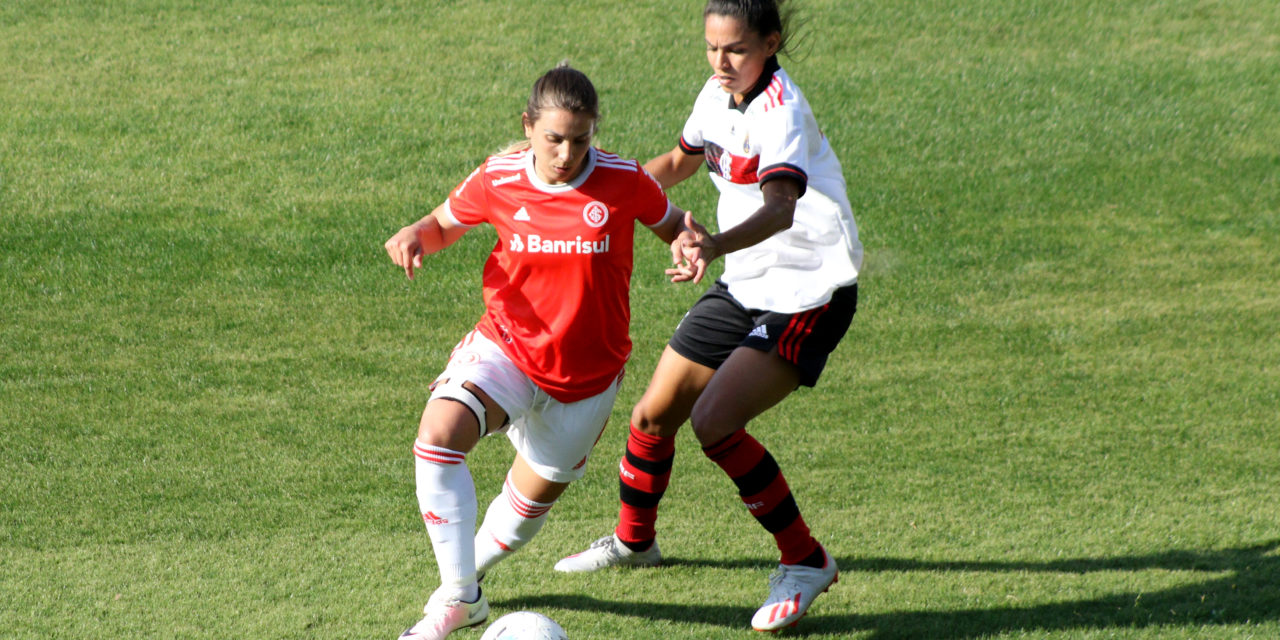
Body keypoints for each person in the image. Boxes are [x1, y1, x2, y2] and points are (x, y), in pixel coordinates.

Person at [554, 0, 863, 632]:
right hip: (746, 280)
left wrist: (711, 243)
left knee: (715, 420)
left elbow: (780, 207)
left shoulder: (782, 113)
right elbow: (680, 163)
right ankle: (636, 542)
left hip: (808, 290)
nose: (721, 62)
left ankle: (806, 561)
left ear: (770, 43)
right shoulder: (718, 93)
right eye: (712, 48)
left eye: (736, 51)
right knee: (652, 414)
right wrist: (600, 187)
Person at [383, 64, 700, 640]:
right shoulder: (499, 177)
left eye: (580, 139)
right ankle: (457, 601)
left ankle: (465, 586)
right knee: (438, 437)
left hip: (588, 376)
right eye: (554, 138)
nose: (567, 153)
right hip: (507, 345)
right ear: (528, 126)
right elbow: (442, 224)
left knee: (525, 513)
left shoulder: (623, 180)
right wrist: (414, 234)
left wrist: (689, 244)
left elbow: (676, 223)